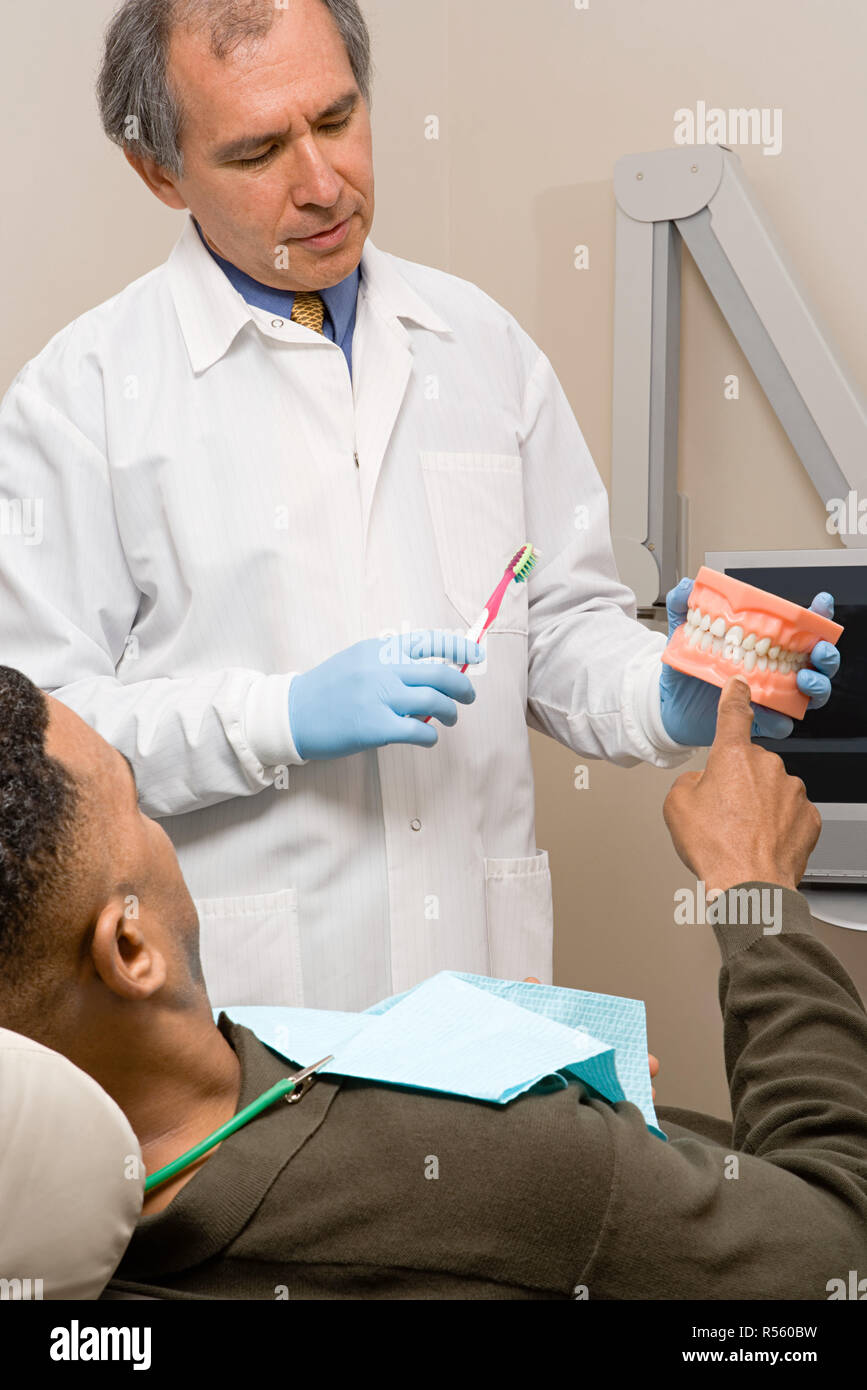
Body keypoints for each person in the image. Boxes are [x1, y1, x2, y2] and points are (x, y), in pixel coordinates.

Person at [0, 0, 840, 1011]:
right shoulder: (81, 398)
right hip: (248, 1013)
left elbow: (563, 624)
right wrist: (281, 717)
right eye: (259, 151)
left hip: (488, 994)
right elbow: (42, 743)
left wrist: (659, 689)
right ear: (161, 171)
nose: (322, 185)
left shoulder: (479, 347)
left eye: (337, 118)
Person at [0, 664, 863, 1300]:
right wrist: (755, 894)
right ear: (130, 948)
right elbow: (841, 1248)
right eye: (138, 801)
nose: (160, 830)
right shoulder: (525, 1165)